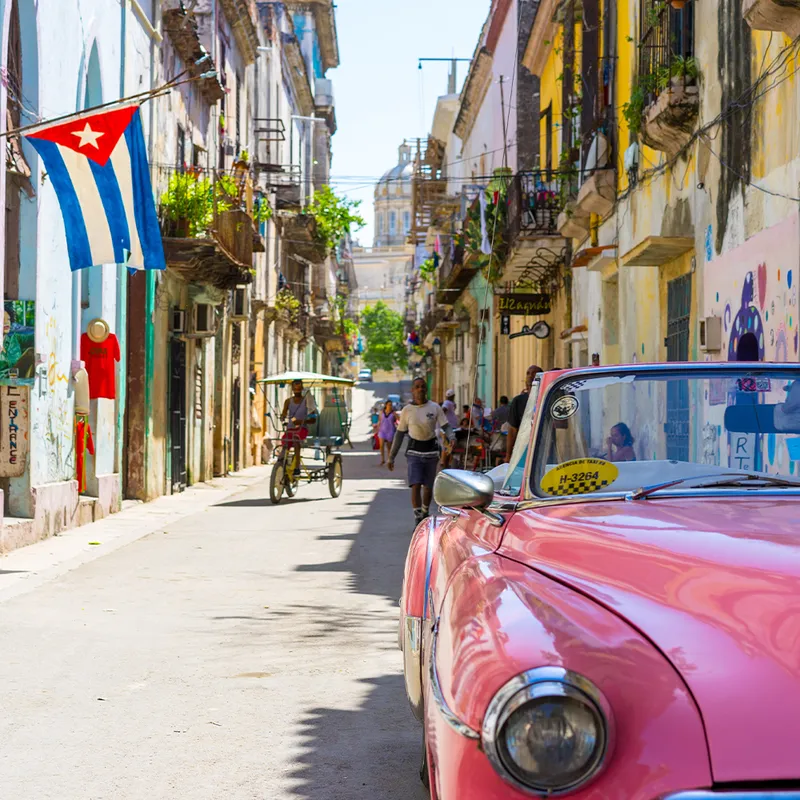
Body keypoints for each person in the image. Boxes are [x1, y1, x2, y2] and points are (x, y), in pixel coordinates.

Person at [389, 377, 454, 525]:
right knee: (416, 484)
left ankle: (425, 511)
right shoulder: (407, 410)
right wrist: (391, 456)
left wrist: (451, 436)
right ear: (412, 390)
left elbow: (446, 425)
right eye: (417, 387)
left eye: (423, 386)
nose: (420, 389)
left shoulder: (434, 407)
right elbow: (399, 434)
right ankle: (417, 516)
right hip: (414, 452)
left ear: (426, 389)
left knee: (428, 487)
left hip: (431, 451)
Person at [280, 379, 318, 479]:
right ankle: (281, 464)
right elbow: (284, 413)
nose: (296, 390)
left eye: (298, 388)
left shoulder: (307, 401)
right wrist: (282, 417)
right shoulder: (288, 401)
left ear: (302, 388)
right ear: (292, 388)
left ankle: (297, 467)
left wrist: (301, 422)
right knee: (285, 442)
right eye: (294, 388)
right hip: (290, 429)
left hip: (302, 429)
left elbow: (313, 420)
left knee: (296, 440)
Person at [507, 365, 543, 461]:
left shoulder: (546, 398)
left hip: (543, 447)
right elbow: (512, 430)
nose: (530, 376)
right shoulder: (518, 401)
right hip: (523, 449)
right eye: (528, 373)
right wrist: (508, 455)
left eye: (534, 373)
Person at [377, 399, 397, 465]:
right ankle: (382, 459)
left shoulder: (393, 413)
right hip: (382, 431)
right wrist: (377, 429)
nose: (390, 406)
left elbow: (399, 420)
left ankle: (389, 460)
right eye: (389, 405)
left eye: (391, 405)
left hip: (390, 431)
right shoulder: (381, 412)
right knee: (381, 445)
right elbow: (379, 421)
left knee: (389, 447)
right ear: (386, 405)